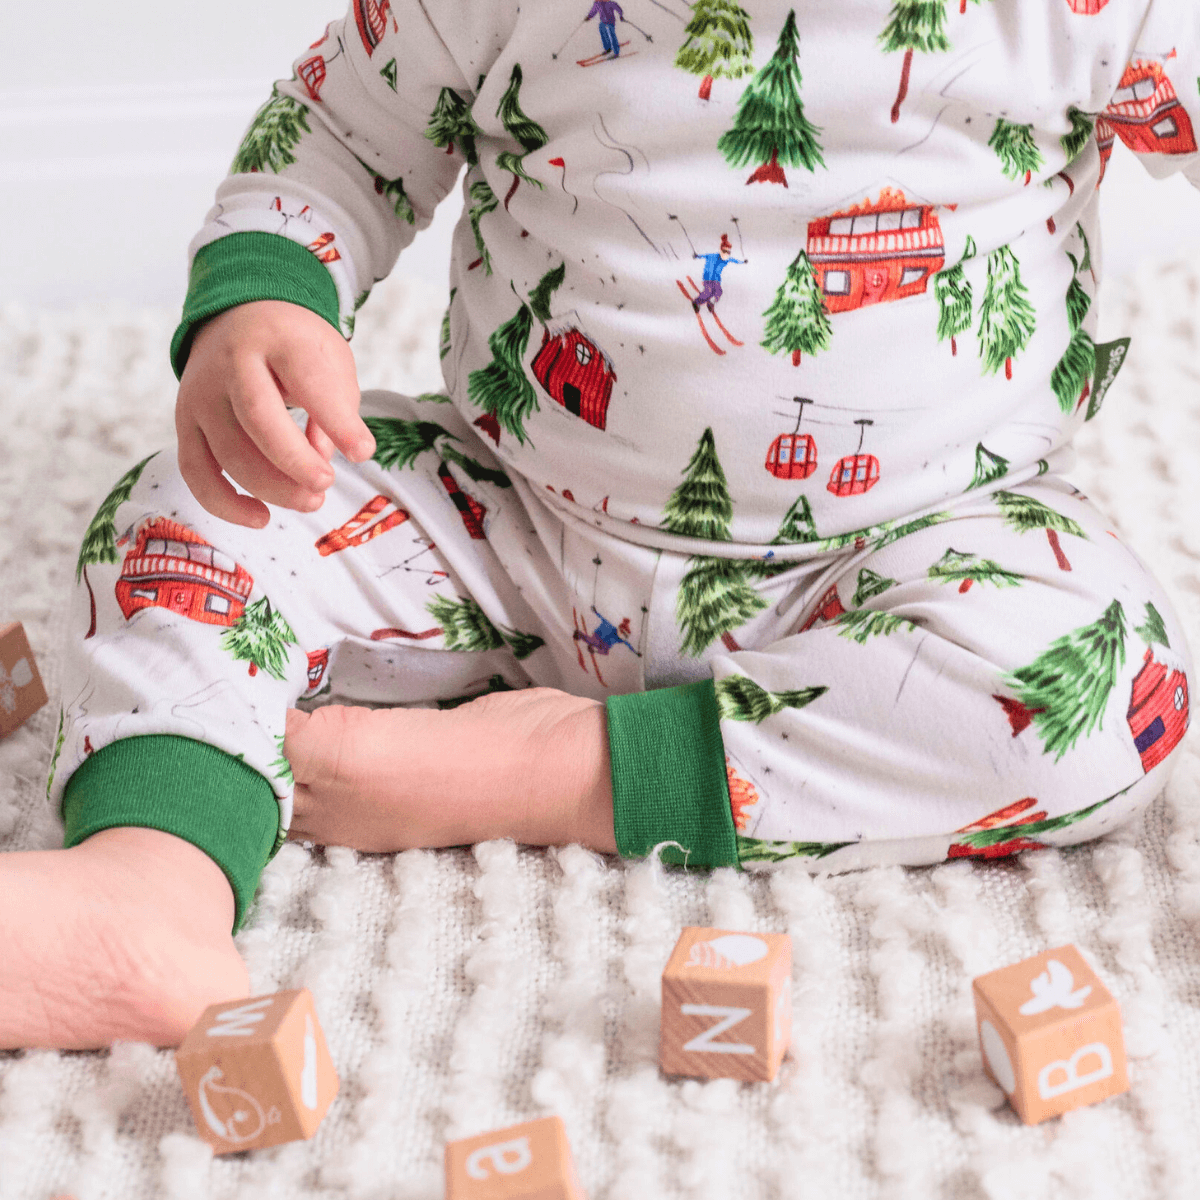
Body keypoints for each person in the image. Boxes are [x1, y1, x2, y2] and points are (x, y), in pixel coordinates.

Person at [3, 0, 1195, 1050]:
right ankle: (149, 886)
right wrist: (268, 300)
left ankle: (566, 771)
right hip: (506, 519)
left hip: (900, 557)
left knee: (1101, 672)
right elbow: (339, 136)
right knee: (197, 509)